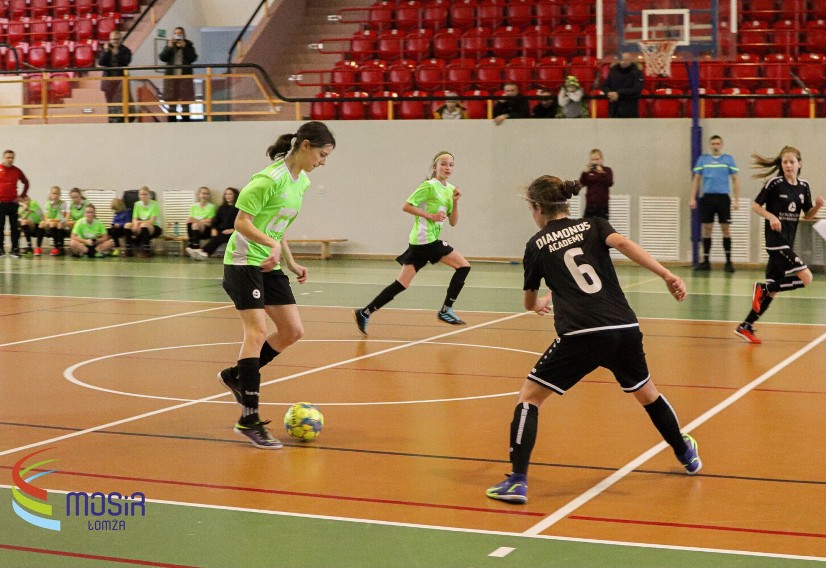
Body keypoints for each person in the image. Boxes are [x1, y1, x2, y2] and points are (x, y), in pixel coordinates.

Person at [485, 175, 700, 505]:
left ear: (537, 207)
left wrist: (541, 303)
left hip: (580, 334)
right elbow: (625, 245)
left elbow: (529, 302)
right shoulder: (595, 224)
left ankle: (516, 481)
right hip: (623, 327)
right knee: (647, 394)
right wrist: (667, 275)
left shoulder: (536, 245)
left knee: (529, 397)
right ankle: (685, 452)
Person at [217, 121, 336, 449]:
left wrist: (289, 259)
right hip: (243, 263)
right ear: (307, 145)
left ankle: (237, 376)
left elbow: (277, 227)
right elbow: (241, 222)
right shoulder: (267, 179)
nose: (323, 161)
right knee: (255, 333)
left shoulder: (302, 182)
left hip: (269, 263)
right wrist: (268, 245)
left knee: (292, 331)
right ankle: (249, 419)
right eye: (322, 154)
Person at [354, 151, 471, 335]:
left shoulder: (450, 190)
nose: (447, 167)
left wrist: (456, 202)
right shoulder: (428, 186)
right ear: (435, 167)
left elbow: (453, 222)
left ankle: (365, 312)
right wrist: (430, 216)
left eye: (451, 164)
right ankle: (446, 310)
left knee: (401, 284)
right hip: (425, 240)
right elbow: (406, 206)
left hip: (421, 243)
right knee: (463, 266)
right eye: (443, 164)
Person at [734, 146, 824, 345]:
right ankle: (762, 288)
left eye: (792, 162)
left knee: (773, 289)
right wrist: (771, 216)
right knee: (807, 278)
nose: (788, 166)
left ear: (800, 164)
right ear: (781, 165)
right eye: (785, 162)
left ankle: (746, 325)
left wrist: (816, 207)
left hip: (788, 241)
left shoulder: (804, 187)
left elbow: (807, 215)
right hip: (776, 242)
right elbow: (756, 206)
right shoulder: (774, 183)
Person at [688, 135, 741, 273]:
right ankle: (706, 261)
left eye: (718, 143)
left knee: (725, 229)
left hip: (723, 198)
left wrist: (736, 200)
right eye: (713, 143)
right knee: (707, 229)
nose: (715, 146)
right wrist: (692, 198)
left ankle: (728, 262)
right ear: (710, 145)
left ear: (721, 145)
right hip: (708, 198)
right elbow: (696, 179)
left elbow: (735, 180)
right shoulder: (703, 159)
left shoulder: (728, 159)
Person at [187, 187, 239, 261]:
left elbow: (242, 222)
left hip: (233, 231)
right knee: (217, 236)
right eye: (226, 194)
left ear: (235, 195)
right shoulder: (221, 208)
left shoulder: (239, 208)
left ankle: (203, 252)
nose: (227, 196)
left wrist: (233, 230)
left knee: (220, 237)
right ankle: (202, 251)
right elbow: (216, 220)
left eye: (230, 194)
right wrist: (214, 229)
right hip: (220, 230)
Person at [158, 26, 198, 122]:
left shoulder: (188, 46)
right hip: (171, 79)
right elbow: (162, 58)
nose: (178, 35)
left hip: (185, 78)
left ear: (184, 35)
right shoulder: (170, 45)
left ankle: (186, 122)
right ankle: (172, 122)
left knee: (185, 102)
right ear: (173, 35)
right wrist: (168, 48)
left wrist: (185, 48)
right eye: (176, 34)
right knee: (171, 102)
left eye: (180, 34)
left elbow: (193, 58)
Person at [98, 30, 133, 123]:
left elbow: (126, 61)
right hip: (108, 80)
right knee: (110, 103)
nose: (114, 41)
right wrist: (106, 52)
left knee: (120, 102)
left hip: (121, 81)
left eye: (117, 39)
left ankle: (120, 120)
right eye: (113, 39)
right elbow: (101, 62)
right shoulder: (106, 49)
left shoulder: (126, 50)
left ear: (121, 40)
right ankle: (111, 120)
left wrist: (117, 53)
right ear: (110, 40)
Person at [0, 149, 30, 258]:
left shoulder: (17, 171)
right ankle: (1, 249)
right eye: (8, 157)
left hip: (13, 203)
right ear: (4, 158)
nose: (10, 159)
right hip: (1, 203)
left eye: (12, 158)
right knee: (0, 227)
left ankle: (15, 249)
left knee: (14, 227)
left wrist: (21, 197)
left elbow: (26, 182)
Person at [602, 53, 644, 118]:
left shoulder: (637, 72)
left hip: (630, 110)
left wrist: (618, 93)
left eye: (626, 60)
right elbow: (605, 86)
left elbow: (637, 89)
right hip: (614, 110)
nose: (624, 62)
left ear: (630, 60)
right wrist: (609, 93)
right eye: (622, 59)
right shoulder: (613, 71)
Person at [579, 148, 614, 219]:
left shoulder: (607, 170)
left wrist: (602, 173)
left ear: (601, 159)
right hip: (590, 204)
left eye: (597, 159)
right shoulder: (588, 172)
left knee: (602, 226)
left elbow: (609, 183)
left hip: (602, 204)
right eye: (592, 160)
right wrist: (584, 173)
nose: (595, 162)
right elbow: (581, 184)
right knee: (587, 225)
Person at [129, 186, 162, 257]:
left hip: (155, 227)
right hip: (141, 225)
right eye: (141, 194)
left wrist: (139, 223)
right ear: (139, 195)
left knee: (144, 225)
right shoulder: (137, 204)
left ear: (149, 195)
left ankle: (145, 250)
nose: (143, 196)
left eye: (145, 194)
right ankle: (129, 249)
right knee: (127, 225)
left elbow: (152, 221)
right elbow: (134, 218)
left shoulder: (155, 204)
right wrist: (135, 225)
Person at [185, 186, 216, 251]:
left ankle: (192, 243)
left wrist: (196, 221)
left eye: (207, 194)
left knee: (194, 223)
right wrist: (201, 221)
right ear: (199, 195)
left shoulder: (211, 206)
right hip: (195, 228)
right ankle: (195, 245)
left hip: (206, 230)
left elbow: (209, 221)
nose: (205, 195)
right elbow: (190, 219)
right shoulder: (194, 206)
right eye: (203, 193)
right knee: (193, 224)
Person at [40, 186, 66, 256]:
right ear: (50, 194)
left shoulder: (63, 204)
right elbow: (45, 217)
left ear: (59, 195)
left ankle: (58, 247)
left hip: (60, 223)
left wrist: (51, 220)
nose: (55, 195)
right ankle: (38, 247)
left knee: (54, 224)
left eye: (56, 194)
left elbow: (62, 218)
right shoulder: (47, 204)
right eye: (53, 193)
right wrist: (47, 221)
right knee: (42, 223)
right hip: (51, 223)